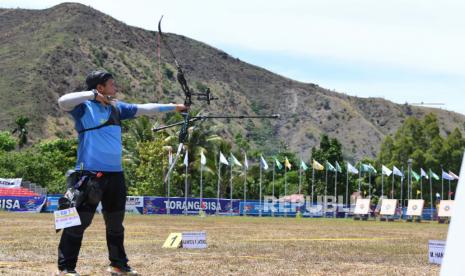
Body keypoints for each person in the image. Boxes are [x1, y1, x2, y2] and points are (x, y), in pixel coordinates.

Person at [56, 70, 187, 276]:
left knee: (116, 225)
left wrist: (174, 107)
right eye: (111, 85)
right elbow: (63, 101)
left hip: (115, 176)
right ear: (100, 88)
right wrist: (92, 96)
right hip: (89, 175)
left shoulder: (118, 108)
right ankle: (66, 268)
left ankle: (118, 265)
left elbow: (145, 109)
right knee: (78, 223)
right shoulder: (83, 108)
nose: (115, 88)